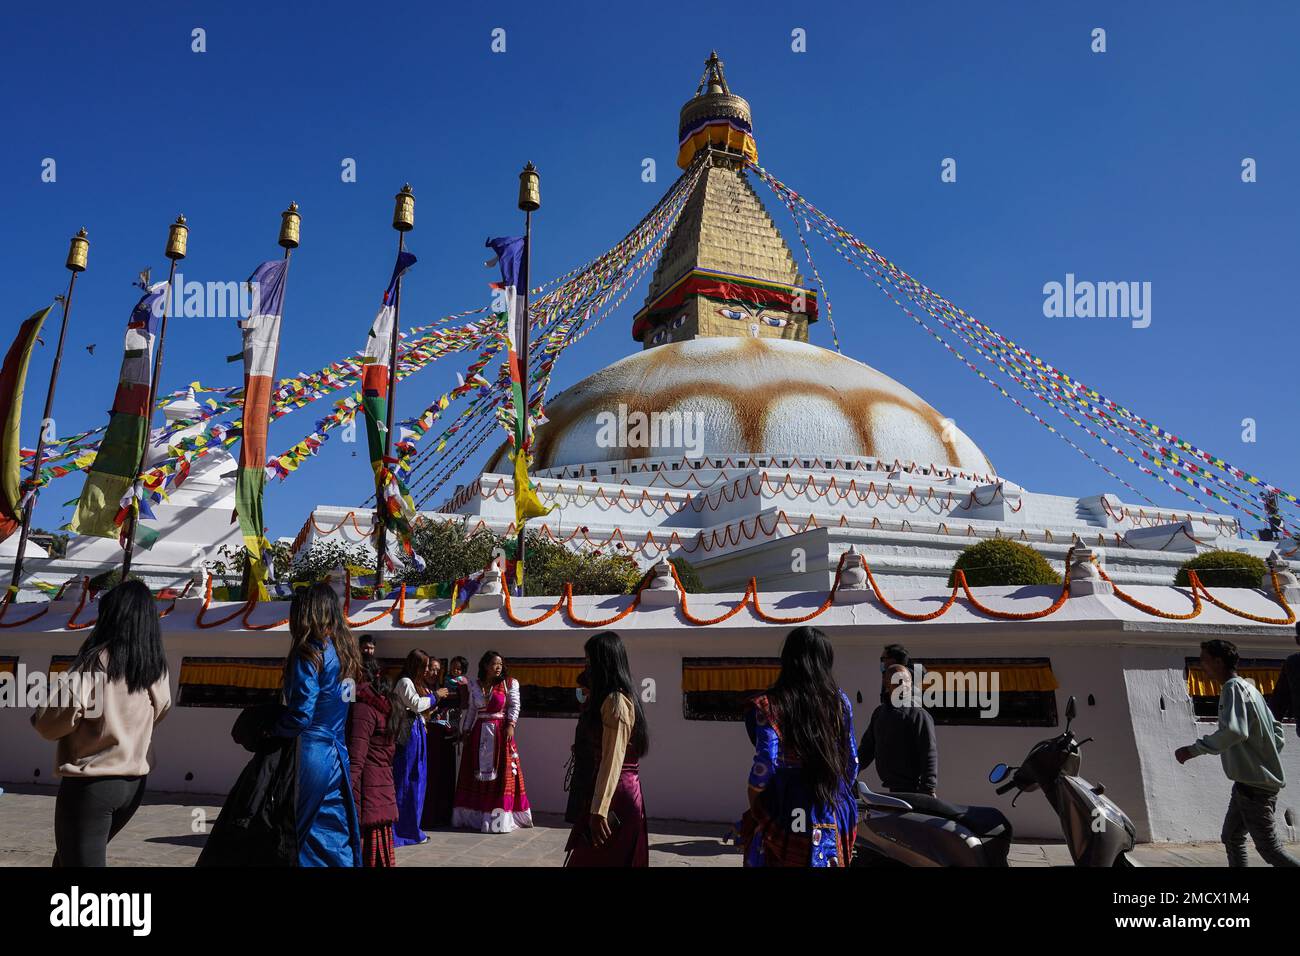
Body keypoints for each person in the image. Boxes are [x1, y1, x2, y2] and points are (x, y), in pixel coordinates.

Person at [32, 580, 171, 867]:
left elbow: (51, 722)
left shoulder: (96, 662)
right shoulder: (154, 666)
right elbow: (162, 709)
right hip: (133, 783)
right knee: (68, 860)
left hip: (92, 785)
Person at [738, 625, 858, 867]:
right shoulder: (839, 702)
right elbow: (852, 762)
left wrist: (757, 807)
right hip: (834, 802)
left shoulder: (768, 705)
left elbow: (765, 764)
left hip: (787, 804)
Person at [1175, 638, 1299, 867]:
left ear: (1219, 662)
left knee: (1269, 849)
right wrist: (1264, 755)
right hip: (1248, 781)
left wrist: (1193, 750)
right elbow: (1277, 732)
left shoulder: (1232, 689)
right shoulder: (1250, 687)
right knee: (1232, 837)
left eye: (1205, 660)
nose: (1202, 665)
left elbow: (1233, 731)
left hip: (1254, 786)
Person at [271, 582, 362, 866]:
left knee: (297, 831)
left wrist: (270, 730)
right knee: (334, 827)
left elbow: (301, 714)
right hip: (337, 754)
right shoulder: (347, 654)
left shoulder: (309, 652)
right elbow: (347, 703)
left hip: (309, 753)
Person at [564, 633, 650, 867]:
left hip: (617, 794)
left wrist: (600, 809)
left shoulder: (616, 701)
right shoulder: (605, 699)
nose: (587, 666)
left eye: (590, 661)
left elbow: (613, 760)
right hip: (609, 789)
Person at [452, 650, 533, 832]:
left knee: (502, 773)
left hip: (500, 733)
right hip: (478, 734)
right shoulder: (475, 685)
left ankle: (499, 818)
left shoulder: (509, 683)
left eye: (500, 664)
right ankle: (477, 816)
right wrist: (466, 730)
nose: (498, 667)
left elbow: (514, 705)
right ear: (485, 666)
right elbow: (473, 710)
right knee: (475, 774)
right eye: (494, 664)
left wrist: (511, 724)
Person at [347, 670, 404, 867]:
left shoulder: (363, 710)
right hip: (382, 788)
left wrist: (342, 791)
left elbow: (356, 758)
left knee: (365, 855)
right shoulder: (386, 708)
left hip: (367, 791)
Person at [392, 649, 446, 846]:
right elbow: (415, 704)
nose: (427, 671)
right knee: (407, 780)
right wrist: (435, 697)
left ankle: (413, 828)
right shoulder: (405, 682)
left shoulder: (415, 683)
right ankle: (401, 830)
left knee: (417, 779)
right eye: (424, 666)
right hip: (408, 735)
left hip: (417, 732)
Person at [859, 662, 938, 795]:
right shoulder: (879, 714)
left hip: (915, 792)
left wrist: (929, 789)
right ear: (887, 684)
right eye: (898, 680)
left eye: (907, 681)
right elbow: (867, 749)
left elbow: (929, 753)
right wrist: (848, 773)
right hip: (891, 790)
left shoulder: (918, 715)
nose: (903, 685)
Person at [421, 657, 458, 829]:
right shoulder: (419, 687)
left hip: (444, 737)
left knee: (443, 777)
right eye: (432, 669)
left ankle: (442, 815)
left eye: (438, 670)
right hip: (428, 737)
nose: (435, 673)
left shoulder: (443, 688)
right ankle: (427, 816)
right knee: (429, 776)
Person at [1267, 622, 1300, 738]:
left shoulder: (1294, 663)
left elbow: (1279, 702)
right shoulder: (1293, 663)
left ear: (1297, 640)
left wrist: (1267, 727)